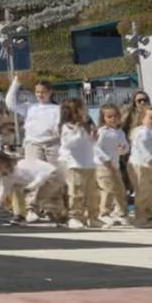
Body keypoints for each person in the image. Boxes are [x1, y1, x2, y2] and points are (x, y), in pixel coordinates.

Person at [0, 152, 65, 225]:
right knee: (16, 188)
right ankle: (20, 216)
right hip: (36, 181)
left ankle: (58, 214)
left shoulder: (20, 167)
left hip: (52, 175)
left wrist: (30, 188)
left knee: (37, 199)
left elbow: (43, 175)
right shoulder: (6, 175)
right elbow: (4, 189)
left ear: (4, 164)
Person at [58, 98, 100, 229]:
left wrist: (93, 138)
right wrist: (80, 133)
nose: (85, 111)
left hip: (89, 163)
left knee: (92, 193)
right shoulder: (68, 127)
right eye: (82, 109)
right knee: (76, 193)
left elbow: (90, 144)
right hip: (75, 165)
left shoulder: (86, 126)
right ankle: (75, 217)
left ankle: (93, 217)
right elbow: (69, 144)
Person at [7, 75, 61, 164]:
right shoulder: (30, 107)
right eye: (37, 92)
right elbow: (10, 104)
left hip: (52, 144)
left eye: (43, 92)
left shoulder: (57, 108)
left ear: (50, 92)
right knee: (35, 172)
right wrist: (16, 83)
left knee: (54, 174)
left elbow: (59, 125)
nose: (40, 95)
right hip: (33, 144)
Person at [94, 103, 131, 226]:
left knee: (120, 190)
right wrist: (106, 160)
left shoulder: (120, 132)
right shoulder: (102, 132)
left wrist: (123, 148)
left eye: (115, 116)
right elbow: (96, 148)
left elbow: (125, 146)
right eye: (109, 116)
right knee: (107, 189)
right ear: (103, 118)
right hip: (103, 166)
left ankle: (121, 213)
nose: (113, 119)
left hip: (115, 165)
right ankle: (103, 213)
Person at [129, 107, 152, 228]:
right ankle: (140, 217)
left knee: (151, 190)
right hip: (139, 165)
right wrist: (149, 158)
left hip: (149, 166)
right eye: (151, 118)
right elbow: (142, 146)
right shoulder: (141, 132)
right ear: (142, 118)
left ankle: (150, 214)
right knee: (143, 191)